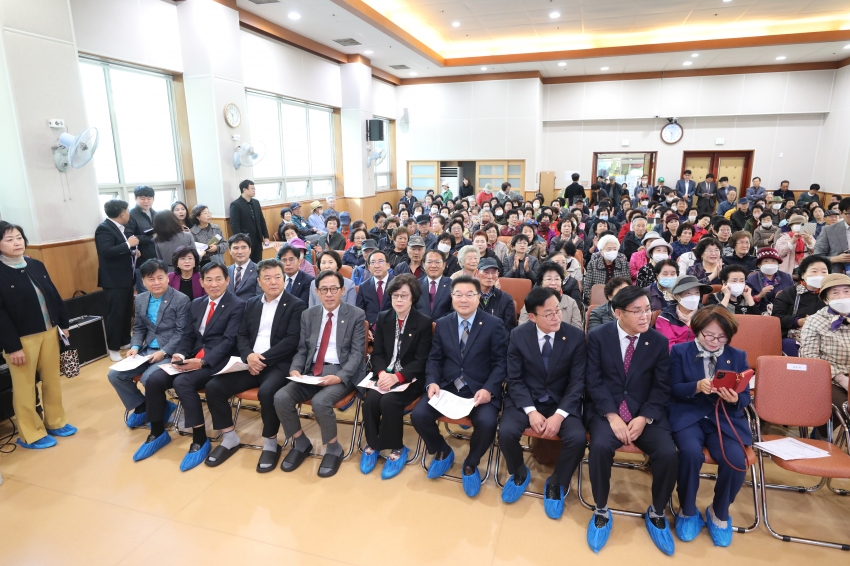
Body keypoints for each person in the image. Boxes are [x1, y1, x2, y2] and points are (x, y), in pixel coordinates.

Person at [584, 285, 678, 555]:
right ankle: (601, 508)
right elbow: (593, 380)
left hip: (643, 412)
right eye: (637, 311)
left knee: (668, 453)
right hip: (607, 410)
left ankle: (657, 511)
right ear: (618, 313)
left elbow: (661, 387)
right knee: (600, 447)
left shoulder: (658, 341)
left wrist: (644, 417)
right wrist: (612, 415)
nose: (644, 316)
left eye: (647, 309)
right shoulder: (599, 336)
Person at [133, 262, 246, 470]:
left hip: (216, 361)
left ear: (227, 280)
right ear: (201, 282)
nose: (214, 284)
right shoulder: (197, 303)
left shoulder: (237, 305)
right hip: (191, 357)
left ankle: (200, 437)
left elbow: (229, 341)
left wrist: (202, 361)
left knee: (183, 383)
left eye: (218, 279)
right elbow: (187, 335)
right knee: (155, 379)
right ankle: (157, 432)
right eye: (208, 280)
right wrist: (179, 354)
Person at [202, 258, 307, 472]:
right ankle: (229, 437)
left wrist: (261, 359)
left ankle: (270, 442)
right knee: (214, 387)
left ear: (284, 279)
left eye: (278, 277)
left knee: (267, 393)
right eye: (267, 278)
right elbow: (241, 335)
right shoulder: (251, 303)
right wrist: (249, 356)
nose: (273, 282)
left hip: (277, 364)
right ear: (259, 282)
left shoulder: (296, 304)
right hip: (250, 363)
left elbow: (291, 340)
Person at [411, 276, 508, 497]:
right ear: (451, 297)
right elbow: (434, 359)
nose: (463, 299)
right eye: (458, 294)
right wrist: (432, 381)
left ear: (478, 297)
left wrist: (489, 389)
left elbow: (501, 363)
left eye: (469, 294)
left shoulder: (494, 325)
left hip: (479, 390)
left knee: (487, 422)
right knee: (419, 415)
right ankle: (443, 450)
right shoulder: (444, 323)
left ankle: (471, 462)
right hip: (447, 387)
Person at [668, 307, 751, 547]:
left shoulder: (738, 356)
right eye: (708, 335)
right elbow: (671, 388)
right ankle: (688, 509)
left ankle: (719, 512)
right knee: (690, 454)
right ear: (697, 331)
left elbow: (744, 396)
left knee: (736, 461)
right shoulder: (680, 352)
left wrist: (735, 398)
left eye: (721, 337)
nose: (715, 341)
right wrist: (695, 386)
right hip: (689, 416)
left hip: (723, 418)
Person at [500, 286, 587, 517]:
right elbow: (514, 378)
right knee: (506, 432)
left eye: (557, 310)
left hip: (561, 401)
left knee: (577, 439)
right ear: (532, 317)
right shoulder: (519, 335)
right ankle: (519, 471)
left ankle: (557, 481)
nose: (556, 316)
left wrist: (559, 415)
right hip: (527, 398)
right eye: (548, 313)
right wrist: (531, 411)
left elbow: (577, 382)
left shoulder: (576, 336)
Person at [274, 270, 366, 478]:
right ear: (317, 292)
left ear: (343, 290)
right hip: (311, 371)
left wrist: (341, 377)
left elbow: (357, 354)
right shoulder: (309, 314)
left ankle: (333, 448)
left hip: (341, 370)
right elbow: (302, 350)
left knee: (320, 402)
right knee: (281, 397)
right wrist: (295, 369)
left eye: (334, 289)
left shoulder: (355, 314)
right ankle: (301, 442)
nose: (329, 294)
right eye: (324, 289)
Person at [0, 222, 75, 449]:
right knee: (24, 388)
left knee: (52, 381)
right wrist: (13, 347)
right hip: (22, 340)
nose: (17, 242)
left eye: (19, 237)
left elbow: (53, 294)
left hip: (49, 332)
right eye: (9, 239)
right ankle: (30, 434)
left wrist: (63, 324)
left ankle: (55, 421)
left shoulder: (35, 264)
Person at [360, 274, 432, 479]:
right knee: (371, 401)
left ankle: (397, 449)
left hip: (410, 379)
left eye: (403, 296)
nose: (398, 300)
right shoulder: (384, 317)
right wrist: (382, 373)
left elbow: (421, 360)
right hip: (384, 374)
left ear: (413, 298)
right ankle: (373, 444)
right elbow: (378, 353)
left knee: (390, 401)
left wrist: (398, 377)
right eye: (394, 296)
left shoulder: (424, 322)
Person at [108, 259, 190, 428]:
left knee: (148, 378)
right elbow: (138, 327)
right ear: (143, 282)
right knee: (115, 375)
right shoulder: (141, 299)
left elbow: (181, 332)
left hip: (168, 352)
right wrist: (135, 347)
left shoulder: (181, 299)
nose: (156, 282)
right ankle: (144, 406)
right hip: (146, 351)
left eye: (160, 278)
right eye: (151, 279)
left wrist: (164, 352)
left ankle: (156, 412)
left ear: (168, 278)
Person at [799, 273, 850, 436]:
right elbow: (809, 358)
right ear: (826, 299)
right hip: (827, 378)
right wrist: (841, 378)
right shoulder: (815, 321)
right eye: (835, 292)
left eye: (847, 291)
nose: (842, 296)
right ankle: (819, 437)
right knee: (844, 406)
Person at [96, 199, 139, 360]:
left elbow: (117, 251)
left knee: (126, 311)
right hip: (113, 280)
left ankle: (124, 341)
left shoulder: (117, 227)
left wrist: (132, 253)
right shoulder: (104, 229)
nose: (128, 214)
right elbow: (106, 251)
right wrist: (128, 245)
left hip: (125, 277)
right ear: (122, 214)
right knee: (116, 314)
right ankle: (113, 348)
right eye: (127, 211)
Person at [772, 255, 829, 356]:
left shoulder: (831, 295)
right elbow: (776, 317)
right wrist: (799, 321)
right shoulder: (789, 293)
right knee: (789, 344)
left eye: (824, 272)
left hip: (825, 335)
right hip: (795, 336)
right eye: (814, 271)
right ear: (803, 274)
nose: (819, 275)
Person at [518, 262, 582, 330]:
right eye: (549, 279)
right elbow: (523, 328)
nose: (553, 283)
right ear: (541, 283)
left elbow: (577, 330)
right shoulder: (532, 301)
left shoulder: (571, 302)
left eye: (557, 279)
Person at [656, 275, 711, 351]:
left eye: (696, 292)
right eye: (688, 293)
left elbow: (710, 341)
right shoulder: (665, 318)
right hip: (676, 358)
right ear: (676, 296)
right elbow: (669, 347)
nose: (693, 297)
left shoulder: (706, 315)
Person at [229, 180, 269, 263]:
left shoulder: (256, 202)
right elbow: (235, 224)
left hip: (258, 239)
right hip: (245, 239)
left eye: (254, 188)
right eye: (252, 188)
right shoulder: (236, 204)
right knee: (246, 263)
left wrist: (266, 236)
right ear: (244, 190)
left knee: (258, 262)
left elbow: (261, 220)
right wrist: (240, 240)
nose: (254, 190)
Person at [583, 234, 630, 305]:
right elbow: (587, 288)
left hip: (620, 302)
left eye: (615, 249)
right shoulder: (593, 265)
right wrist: (597, 299)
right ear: (601, 251)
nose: (612, 251)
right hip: (598, 302)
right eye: (609, 249)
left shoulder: (623, 264)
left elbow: (627, 286)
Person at [356, 249, 394, 332]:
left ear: (388, 265)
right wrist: (366, 329)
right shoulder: (363, 286)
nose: (377, 266)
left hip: (393, 328)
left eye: (380, 262)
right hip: (370, 329)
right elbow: (360, 311)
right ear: (369, 267)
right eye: (373, 262)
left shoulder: (398, 284)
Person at [747, 247, 793, 315]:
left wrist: (784, 296)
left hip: (782, 313)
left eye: (773, 261)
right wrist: (759, 296)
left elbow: (793, 297)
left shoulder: (787, 277)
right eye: (766, 261)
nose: (770, 263)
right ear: (759, 265)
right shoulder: (751, 279)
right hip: (760, 314)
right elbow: (747, 302)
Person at [125, 186, 157, 266]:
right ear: (135, 198)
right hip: (141, 256)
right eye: (142, 198)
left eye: (149, 198)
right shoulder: (130, 215)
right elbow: (128, 236)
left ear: (153, 199)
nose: (146, 201)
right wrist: (152, 237)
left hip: (157, 254)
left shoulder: (156, 214)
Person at [226, 234, 261, 301]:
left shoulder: (259, 270)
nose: (240, 252)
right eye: (236, 248)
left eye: (243, 248)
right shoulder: (226, 271)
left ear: (250, 250)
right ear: (230, 251)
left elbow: (259, 298)